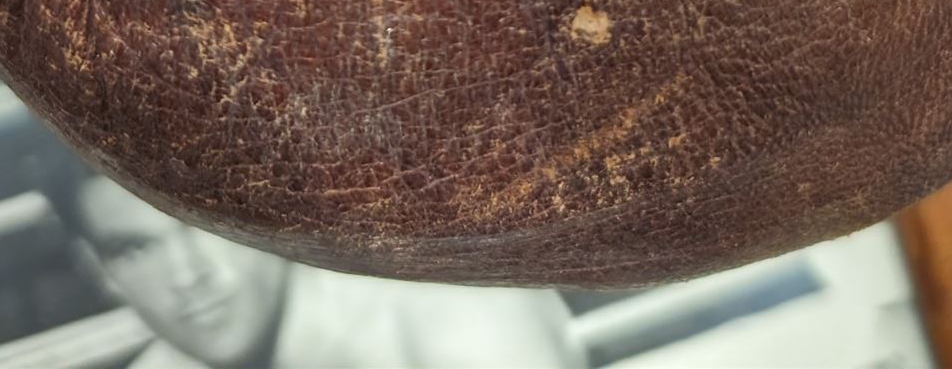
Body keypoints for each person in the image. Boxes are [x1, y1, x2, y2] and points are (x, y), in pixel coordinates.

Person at [63, 174, 582, 369]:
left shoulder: (457, 314)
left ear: (268, 216)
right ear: (101, 272)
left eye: (208, 228)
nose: (186, 275)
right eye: (136, 249)